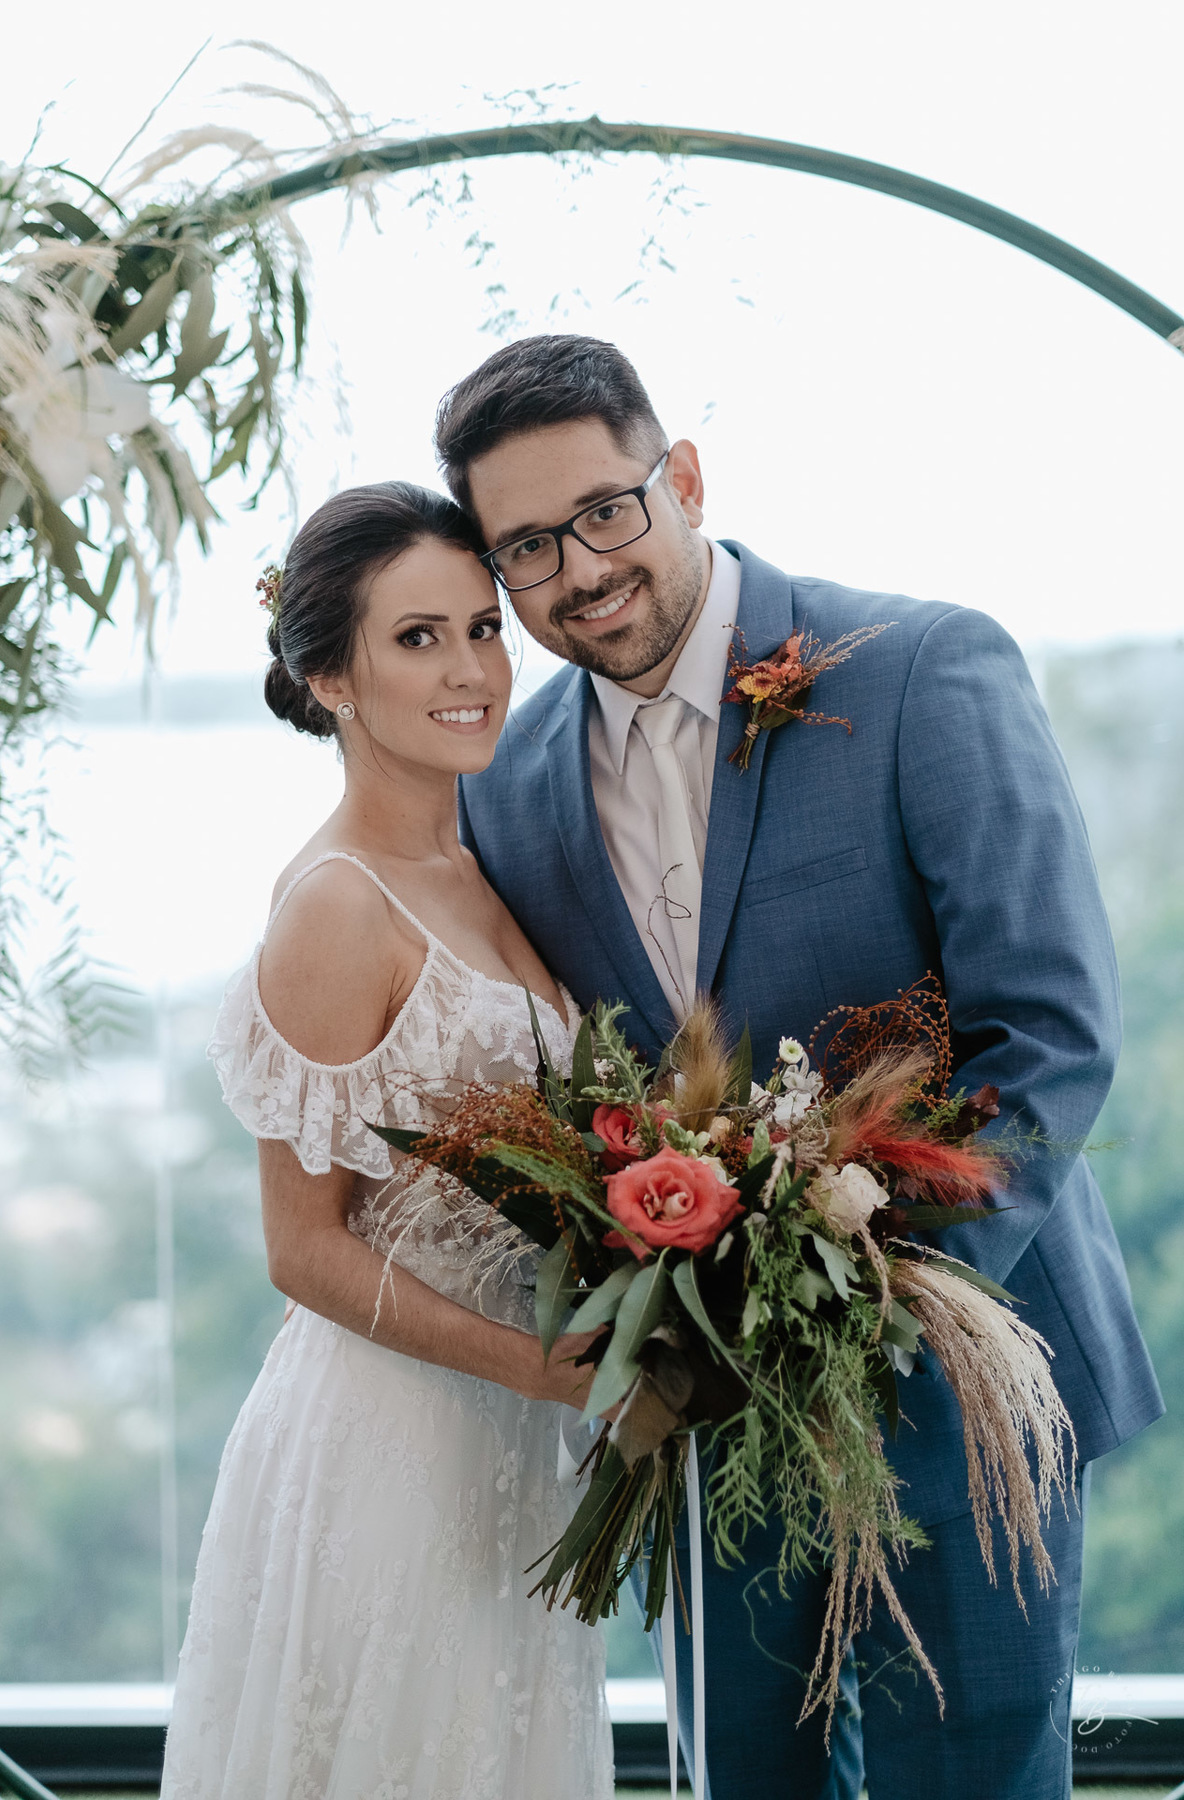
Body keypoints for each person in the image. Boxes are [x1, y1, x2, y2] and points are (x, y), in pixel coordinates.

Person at [442, 334, 1165, 1800]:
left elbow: (1052, 1032)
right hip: (705, 1418)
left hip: (970, 1383)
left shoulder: (919, 670)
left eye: (604, 511)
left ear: (684, 478)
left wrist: (875, 1301)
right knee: (743, 1787)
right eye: (525, 548)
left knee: (966, 1780)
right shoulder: (505, 789)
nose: (579, 571)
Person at [160, 482, 614, 1800]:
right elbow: (301, 1251)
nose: (472, 669)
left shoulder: (477, 865)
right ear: (330, 679)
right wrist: (539, 1369)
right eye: (418, 638)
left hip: (519, 1460)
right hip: (389, 1455)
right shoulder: (336, 906)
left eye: (482, 627)